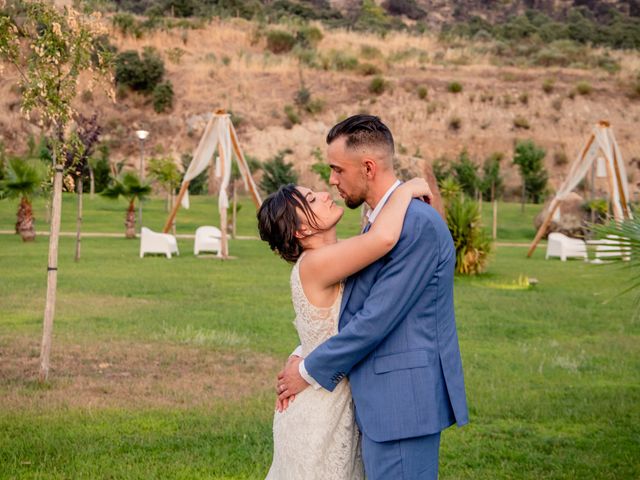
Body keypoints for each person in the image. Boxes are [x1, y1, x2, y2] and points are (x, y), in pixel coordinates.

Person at [274, 115, 469, 480]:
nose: (331, 181)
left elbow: (375, 318)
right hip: (372, 403)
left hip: (401, 404)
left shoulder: (415, 225)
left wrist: (305, 368)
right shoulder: (379, 225)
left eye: (336, 169)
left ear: (367, 167)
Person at [258, 173, 432, 478]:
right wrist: (405, 191)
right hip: (321, 407)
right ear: (302, 229)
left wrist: (302, 354)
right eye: (311, 199)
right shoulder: (315, 264)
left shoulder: (330, 258)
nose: (325, 194)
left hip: (333, 393)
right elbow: (383, 239)